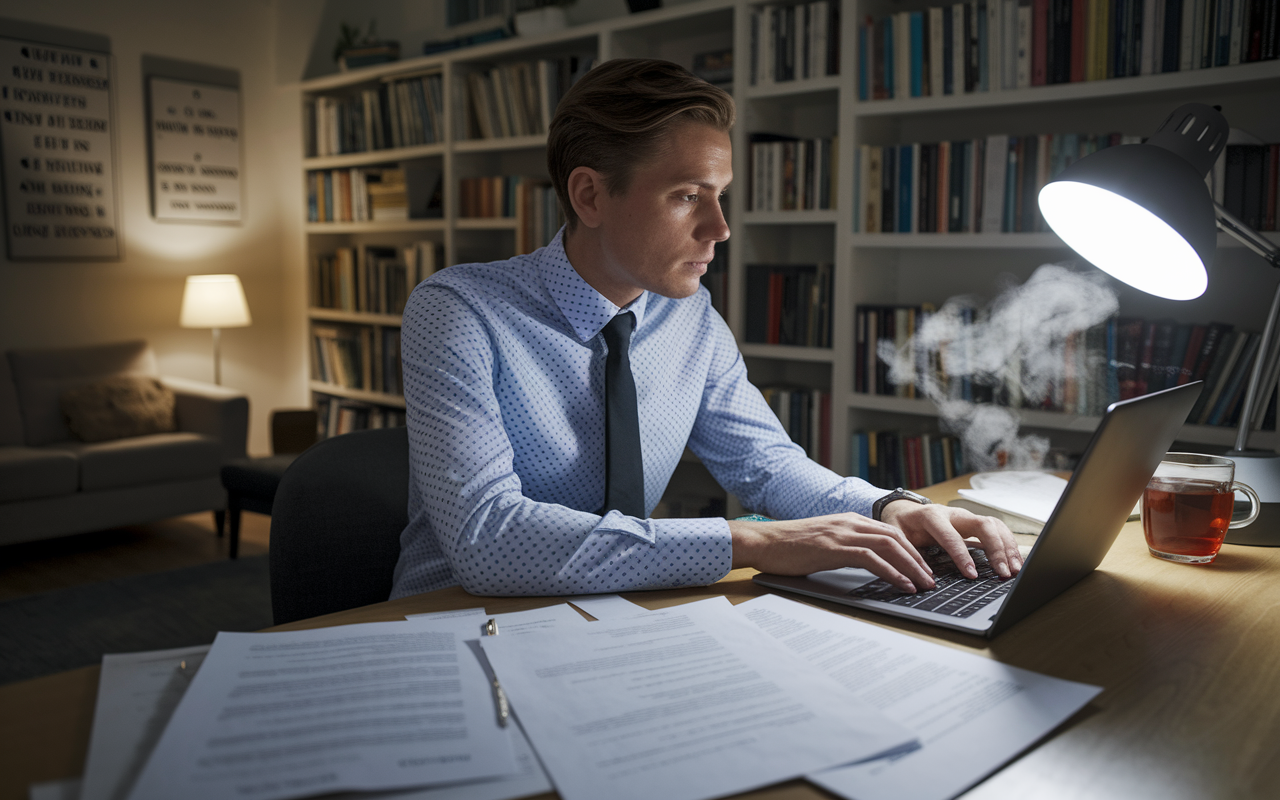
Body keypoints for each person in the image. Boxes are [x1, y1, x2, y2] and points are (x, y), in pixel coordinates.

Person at [390, 58, 1021, 599]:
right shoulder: (457, 310)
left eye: (721, 196)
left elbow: (767, 466)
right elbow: (487, 541)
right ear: (589, 196)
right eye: (689, 195)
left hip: (610, 615)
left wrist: (892, 508)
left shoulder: (690, 316)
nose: (719, 229)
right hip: (451, 626)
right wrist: (753, 541)